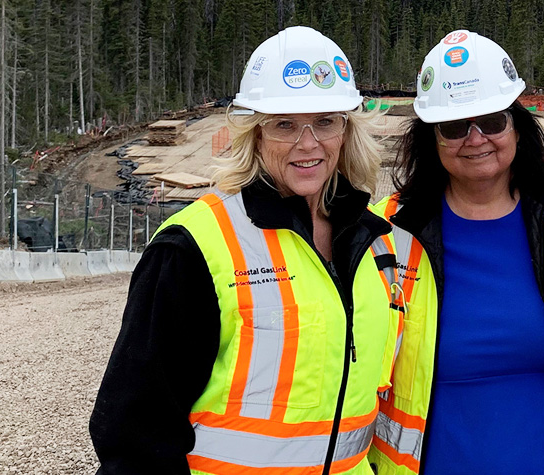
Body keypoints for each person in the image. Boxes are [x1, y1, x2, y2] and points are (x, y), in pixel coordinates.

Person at [90, 26, 402, 474]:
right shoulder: (195, 247)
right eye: (285, 125)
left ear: (347, 130)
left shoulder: (373, 240)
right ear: (254, 134)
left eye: (326, 121)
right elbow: (136, 431)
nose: (308, 143)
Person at [368, 30, 544, 474]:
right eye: (455, 126)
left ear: (517, 125)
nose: (476, 138)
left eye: (493, 121)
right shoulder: (388, 229)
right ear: (432, 138)